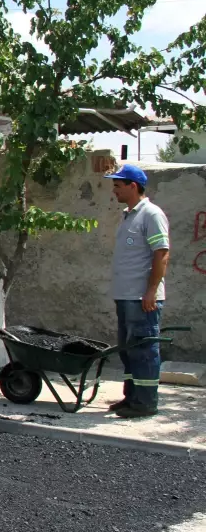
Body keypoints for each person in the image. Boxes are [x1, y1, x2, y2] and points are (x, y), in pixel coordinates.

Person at [104, 164, 170, 419]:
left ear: (133, 186)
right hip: (125, 296)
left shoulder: (151, 214)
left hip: (142, 298)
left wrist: (151, 291)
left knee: (143, 350)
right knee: (128, 350)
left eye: (118, 186)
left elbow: (162, 254)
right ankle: (132, 397)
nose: (114, 190)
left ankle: (145, 403)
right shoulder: (129, 215)